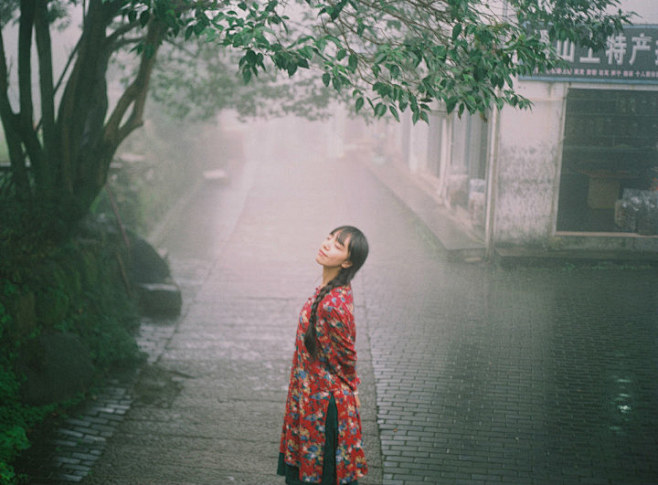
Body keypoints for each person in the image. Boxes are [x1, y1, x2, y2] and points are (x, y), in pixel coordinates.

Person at [278, 225, 369, 485]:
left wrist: (354, 390)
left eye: (338, 245)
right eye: (329, 238)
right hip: (309, 400)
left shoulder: (332, 304)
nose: (327, 244)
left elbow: (347, 359)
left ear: (347, 261)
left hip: (322, 409)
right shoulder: (331, 290)